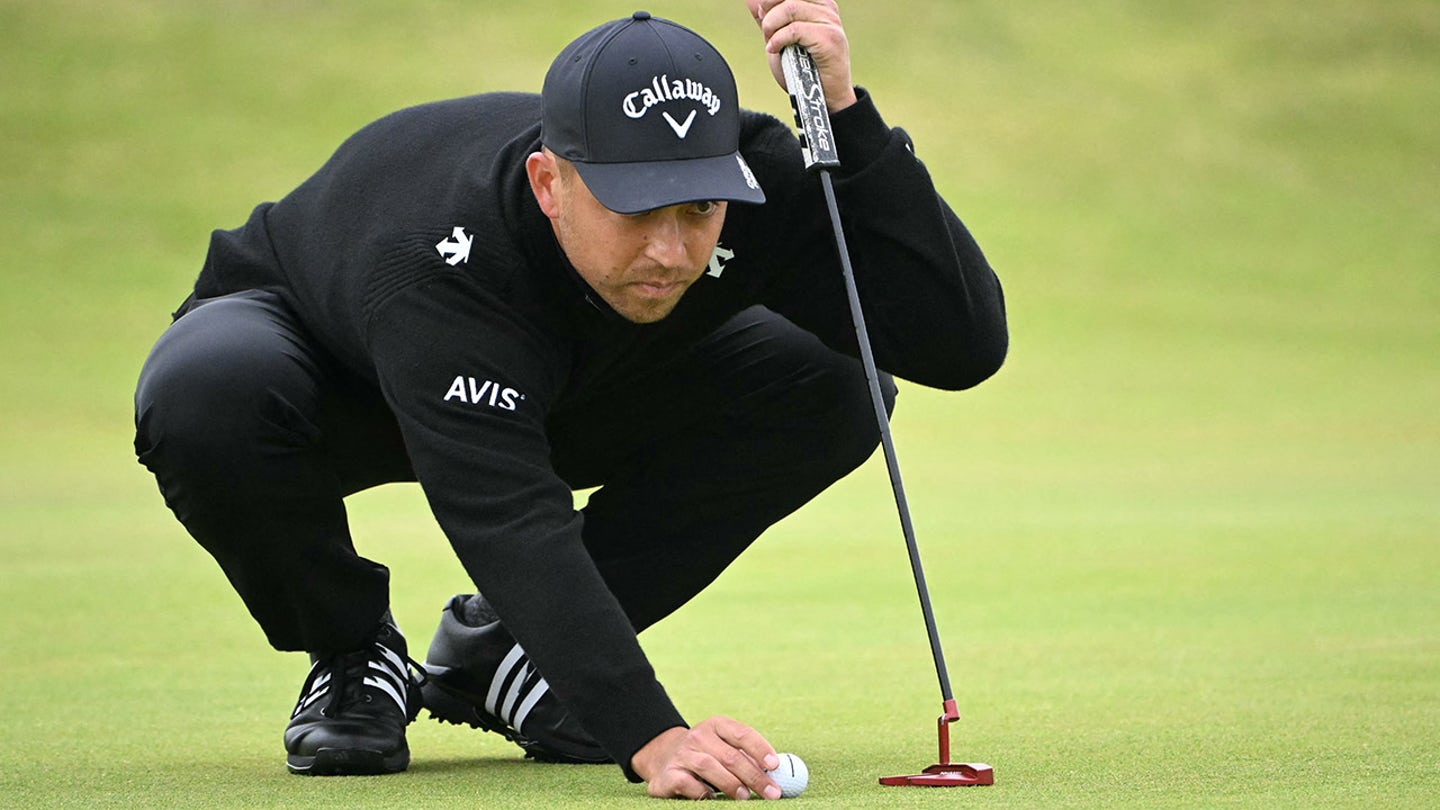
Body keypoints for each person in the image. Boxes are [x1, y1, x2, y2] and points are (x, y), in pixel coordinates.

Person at [132, 0, 1006, 800]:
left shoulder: (754, 182)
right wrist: (650, 734)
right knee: (206, 390)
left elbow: (959, 345)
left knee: (836, 384)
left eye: (699, 208)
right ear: (552, 184)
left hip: (571, 379)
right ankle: (355, 653)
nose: (671, 250)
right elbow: (506, 513)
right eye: (635, 210)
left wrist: (849, 121)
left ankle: (508, 656)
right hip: (329, 378)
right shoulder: (438, 251)